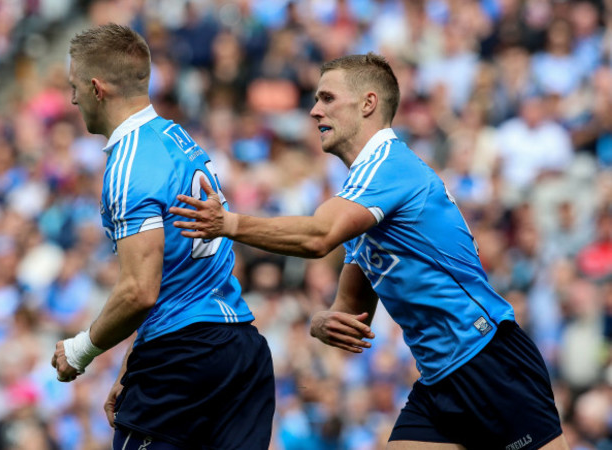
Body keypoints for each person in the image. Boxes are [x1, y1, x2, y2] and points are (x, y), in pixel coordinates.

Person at [170, 53, 569, 449]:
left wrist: (229, 223)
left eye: (327, 98)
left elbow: (317, 237)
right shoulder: (363, 196)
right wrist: (322, 322)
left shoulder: (388, 166)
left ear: (368, 103)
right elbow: (351, 310)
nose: (313, 111)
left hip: (487, 361)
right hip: (439, 378)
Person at [50, 24, 275, 449]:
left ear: (97, 89)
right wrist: (131, 363)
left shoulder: (128, 165)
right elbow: (178, 273)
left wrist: (81, 350)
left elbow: (141, 290)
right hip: (240, 348)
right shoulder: (179, 141)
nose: (73, 99)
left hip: (182, 361)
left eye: (75, 86)